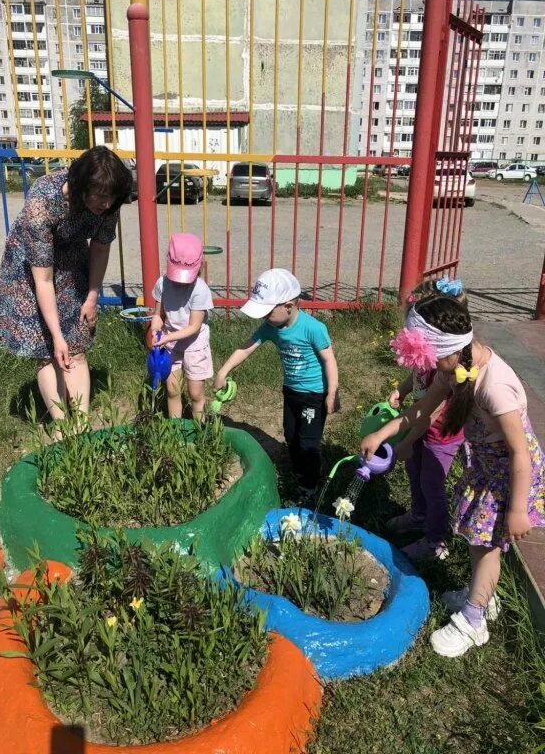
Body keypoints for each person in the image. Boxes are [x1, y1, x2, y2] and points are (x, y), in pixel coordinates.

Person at [361, 295, 545, 657]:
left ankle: (474, 620)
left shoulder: (494, 386)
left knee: (486, 544)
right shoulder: (453, 370)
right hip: (488, 465)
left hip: (510, 472)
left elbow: (521, 452)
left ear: (444, 350)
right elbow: (421, 410)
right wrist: (382, 434)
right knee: (481, 540)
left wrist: (518, 509)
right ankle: (482, 594)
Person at [0, 146, 132, 423]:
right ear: (81, 185)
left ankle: (79, 423)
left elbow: (101, 249)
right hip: (31, 268)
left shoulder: (108, 204)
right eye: (102, 196)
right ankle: (61, 425)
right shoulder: (43, 201)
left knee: (77, 342)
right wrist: (56, 335)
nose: (107, 204)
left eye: (112, 197)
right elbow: (43, 279)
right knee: (47, 350)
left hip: (71, 258)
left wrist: (92, 297)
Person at [214, 268, 339, 498]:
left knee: (308, 440)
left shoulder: (314, 329)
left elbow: (329, 360)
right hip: (290, 391)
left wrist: (331, 393)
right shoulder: (271, 327)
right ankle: (298, 469)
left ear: (289, 306)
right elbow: (246, 348)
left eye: (267, 311)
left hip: (314, 394)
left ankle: (309, 486)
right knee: (291, 435)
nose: (263, 317)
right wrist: (223, 371)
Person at [387, 278, 468, 561]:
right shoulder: (428, 357)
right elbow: (415, 375)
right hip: (420, 427)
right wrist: (401, 389)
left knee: (432, 484)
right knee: (414, 474)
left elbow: (431, 412)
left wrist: (406, 441)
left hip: (440, 434)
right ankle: (419, 515)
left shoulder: (445, 366)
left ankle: (436, 541)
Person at [150, 233, 213, 419]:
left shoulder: (200, 290)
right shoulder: (163, 284)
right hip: (170, 344)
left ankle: (200, 428)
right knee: (172, 389)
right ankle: (175, 430)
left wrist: (167, 338)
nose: (180, 282)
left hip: (194, 343)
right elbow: (159, 314)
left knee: (195, 393)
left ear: (199, 265)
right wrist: (156, 328)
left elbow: (194, 327)